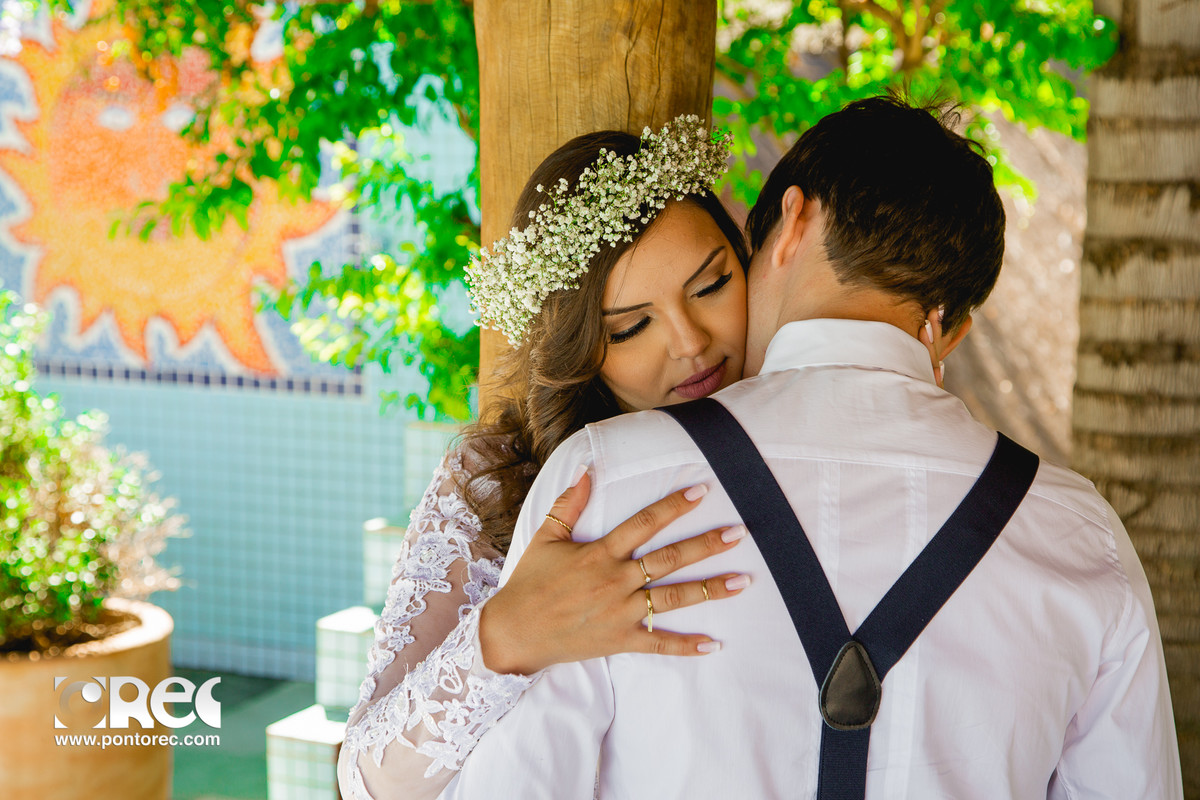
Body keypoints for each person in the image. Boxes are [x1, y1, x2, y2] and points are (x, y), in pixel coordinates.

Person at [437, 96, 1184, 799]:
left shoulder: (605, 483)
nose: (696, 342)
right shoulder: (1081, 533)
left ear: (789, 222)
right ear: (950, 323)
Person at [338, 117, 796, 800]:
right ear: (580, 345)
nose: (691, 341)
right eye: (630, 327)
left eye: (711, 285)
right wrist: (509, 636)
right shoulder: (499, 478)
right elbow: (366, 782)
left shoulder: (810, 424)